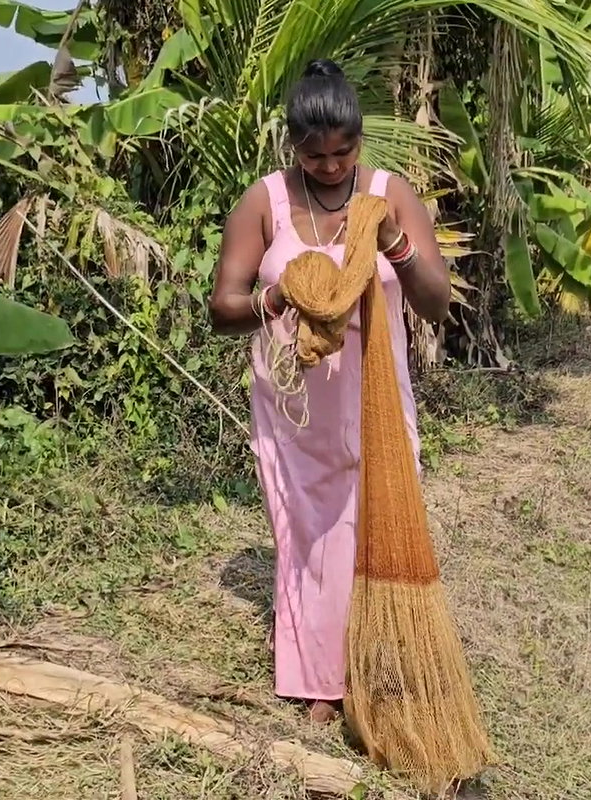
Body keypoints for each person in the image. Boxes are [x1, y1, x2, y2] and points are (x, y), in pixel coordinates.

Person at [208, 59, 451, 724]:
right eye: (316, 158)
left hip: (371, 394)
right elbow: (222, 308)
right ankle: (320, 680)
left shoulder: (386, 194)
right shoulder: (266, 202)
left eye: (344, 152)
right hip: (295, 402)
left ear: (358, 140)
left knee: (371, 519)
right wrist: (282, 293)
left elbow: (434, 303)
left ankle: (370, 668)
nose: (333, 168)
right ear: (294, 148)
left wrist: (396, 245)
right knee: (310, 531)